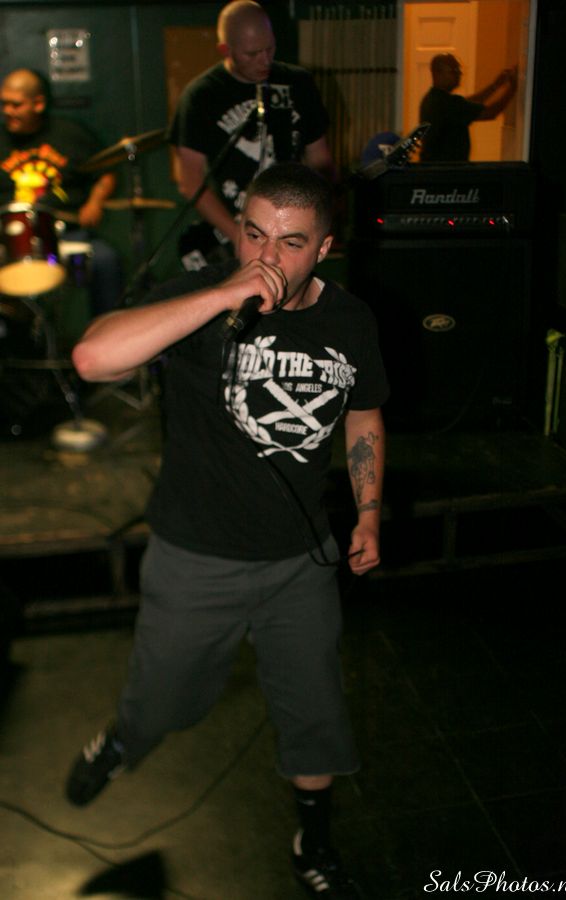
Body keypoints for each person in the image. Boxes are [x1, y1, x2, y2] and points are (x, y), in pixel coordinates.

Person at [65, 162, 387, 898]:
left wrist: (369, 511)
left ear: (324, 248)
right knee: (164, 703)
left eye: (290, 243)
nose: (266, 257)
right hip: (196, 557)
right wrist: (220, 295)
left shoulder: (351, 320)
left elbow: (364, 411)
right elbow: (90, 358)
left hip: (299, 560)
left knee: (316, 713)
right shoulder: (202, 298)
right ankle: (123, 739)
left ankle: (314, 838)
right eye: (254, 234)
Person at [169, 0, 334, 269]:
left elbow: (320, 160)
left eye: (270, 49)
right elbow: (190, 182)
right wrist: (238, 236)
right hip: (232, 227)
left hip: (290, 228)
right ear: (226, 50)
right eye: (252, 54)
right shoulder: (202, 96)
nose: (264, 60)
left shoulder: (298, 83)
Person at [0, 68, 122, 316]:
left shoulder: (70, 134)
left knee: (105, 260)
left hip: (67, 236)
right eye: (4, 104)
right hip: (10, 241)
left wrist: (95, 202)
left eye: (16, 105)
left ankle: (107, 330)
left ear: (38, 104)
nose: (8, 111)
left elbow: (106, 173)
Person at [418, 53, 518, 162]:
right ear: (438, 74)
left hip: (435, 168)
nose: (459, 74)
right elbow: (490, 113)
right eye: (454, 70)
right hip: (446, 170)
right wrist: (512, 89)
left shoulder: (432, 98)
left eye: (459, 70)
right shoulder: (447, 103)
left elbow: (469, 103)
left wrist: (495, 86)